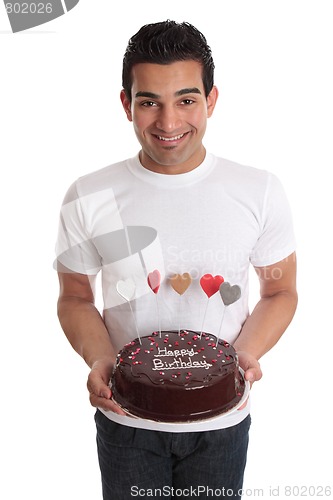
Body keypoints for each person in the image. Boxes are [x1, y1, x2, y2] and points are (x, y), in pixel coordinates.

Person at [55, 20, 297, 500]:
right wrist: (101, 357)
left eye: (186, 100)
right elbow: (75, 297)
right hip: (125, 421)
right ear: (127, 104)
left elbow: (280, 290)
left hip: (223, 423)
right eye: (149, 102)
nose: (168, 123)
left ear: (211, 100)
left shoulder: (259, 191)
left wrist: (245, 355)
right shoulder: (87, 195)